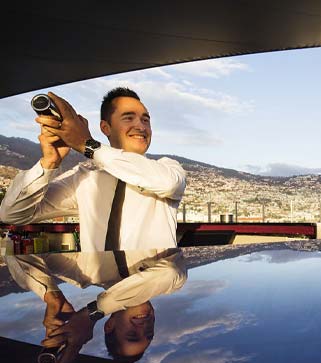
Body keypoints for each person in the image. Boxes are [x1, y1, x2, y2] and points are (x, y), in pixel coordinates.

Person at [0, 88, 186, 251]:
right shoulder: (84, 177)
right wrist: (49, 162)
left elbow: (168, 184)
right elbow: (12, 214)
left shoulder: (168, 167)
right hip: (101, 281)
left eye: (146, 120)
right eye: (129, 118)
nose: (141, 126)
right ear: (105, 127)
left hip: (158, 279)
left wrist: (87, 145)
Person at [5, 248, 187, 363]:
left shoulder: (82, 272)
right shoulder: (171, 280)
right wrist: (90, 315)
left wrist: (51, 296)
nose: (145, 327)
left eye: (132, 335)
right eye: (149, 333)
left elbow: (14, 246)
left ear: (109, 326)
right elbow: (170, 272)